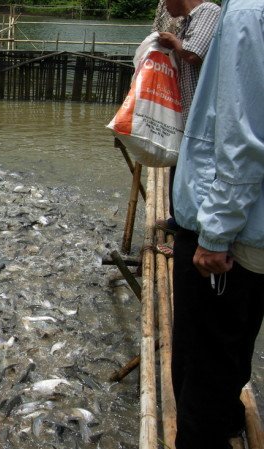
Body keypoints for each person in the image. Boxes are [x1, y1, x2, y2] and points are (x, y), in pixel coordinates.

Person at [171, 0, 264, 448]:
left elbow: (241, 138)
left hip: (233, 235)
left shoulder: (246, 12)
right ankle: (227, 418)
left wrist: (214, 234)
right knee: (233, 345)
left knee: (200, 360)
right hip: (254, 231)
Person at [154, 0, 220, 257]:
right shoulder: (189, 20)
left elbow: (194, 54)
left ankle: (190, 236)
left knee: (196, 174)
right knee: (179, 165)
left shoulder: (208, 12)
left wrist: (174, 43)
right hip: (186, 109)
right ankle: (178, 220)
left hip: (202, 113)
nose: (163, 6)